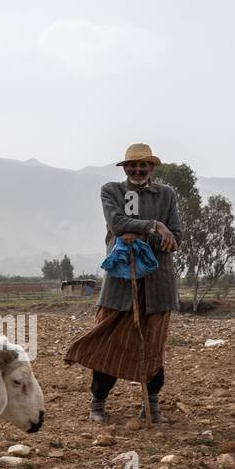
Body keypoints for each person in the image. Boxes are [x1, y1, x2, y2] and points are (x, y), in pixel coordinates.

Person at [64, 142, 180, 423]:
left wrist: (141, 236)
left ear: (151, 168)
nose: (138, 169)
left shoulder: (167, 195)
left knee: (153, 348)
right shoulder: (111, 191)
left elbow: (175, 239)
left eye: (143, 165)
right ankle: (97, 404)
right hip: (119, 283)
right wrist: (154, 227)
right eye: (133, 165)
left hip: (157, 286)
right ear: (125, 168)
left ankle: (151, 407)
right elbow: (117, 224)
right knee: (109, 342)